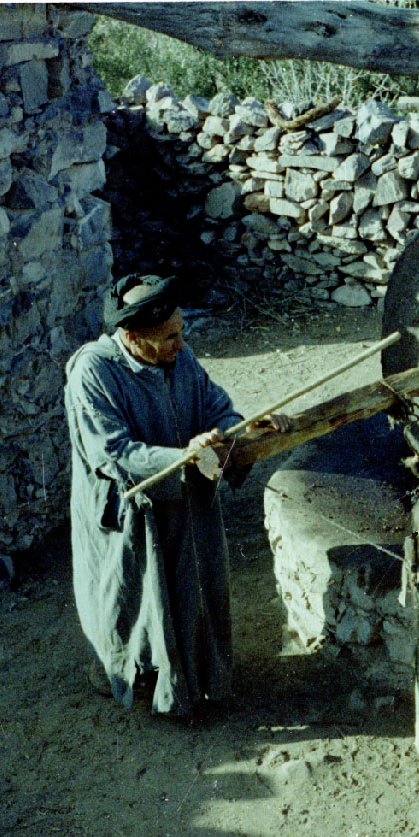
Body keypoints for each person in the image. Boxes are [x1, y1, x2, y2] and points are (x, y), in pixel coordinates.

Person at [64, 274, 289, 715]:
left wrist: (244, 426)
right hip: (128, 505)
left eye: (181, 332)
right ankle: (114, 669)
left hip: (185, 501)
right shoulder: (92, 371)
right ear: (131, 337)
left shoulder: (180, 359)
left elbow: (215, 405)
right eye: (169, 337)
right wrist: (183, 455)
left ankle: (187, 675)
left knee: (188, 589)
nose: (181, 345)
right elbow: (112, 452)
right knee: (125, 593)